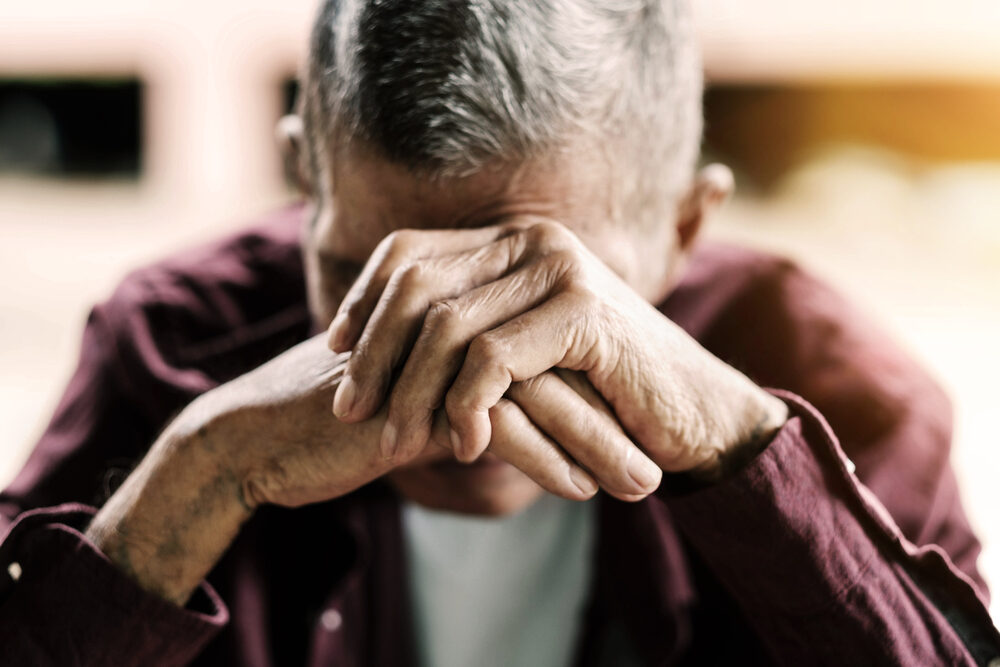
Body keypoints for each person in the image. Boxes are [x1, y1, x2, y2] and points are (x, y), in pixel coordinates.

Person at [1, 0, 998, 664]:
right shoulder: (174, 345)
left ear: (684, 228)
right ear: (304, 182)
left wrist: (744, 457)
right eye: (366, 287)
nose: (460, 405)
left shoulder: (834, 384)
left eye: (540, 306)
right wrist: (200, 477)